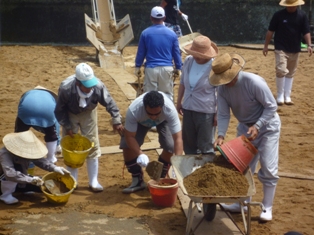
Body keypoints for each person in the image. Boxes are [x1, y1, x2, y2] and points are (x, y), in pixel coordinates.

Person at [209, 53, 281, 222]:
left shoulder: (253, 82)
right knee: (242, 167)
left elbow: (271, 107)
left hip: (268, 127)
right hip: (245, 129)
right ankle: (241, 202)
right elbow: (224, 113)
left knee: (269, 168)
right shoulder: (222, 89)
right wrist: (220, 135)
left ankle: (267, 207)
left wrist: (258, 125)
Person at [54, 63, 123, 192]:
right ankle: (72, 182)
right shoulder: (66, 88)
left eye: (91, 84)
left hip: (89, 113)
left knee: (92, 143)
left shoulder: (97, 86)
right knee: (71, 147)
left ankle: (93, 182)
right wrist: (67, 126)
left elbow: (110, 102)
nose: (90, 87)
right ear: (78, 83)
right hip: (70, 114)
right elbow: (59, 110)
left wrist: (116, 120)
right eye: (87, 86)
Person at [119, 91, 183, 193]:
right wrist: (140, 154)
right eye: (150, 113)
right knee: (126, 145)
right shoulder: (134, 110)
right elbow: (129, 136)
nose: (153, 117)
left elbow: (178, 138)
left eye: (156, 113)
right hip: (140, 122)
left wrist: (178, 163)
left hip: (163, 120)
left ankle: (160, 178)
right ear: (144, 107)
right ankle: (137, 180)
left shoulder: (169, 109)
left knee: (170, 145)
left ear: (162, 107)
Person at [263, 0, 312, 105]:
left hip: (295, 47)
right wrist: (266, 46)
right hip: (281, 47)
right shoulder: (278, 15)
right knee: (281, 70)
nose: (290, 8)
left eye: (292, 6)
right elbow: (270, 31)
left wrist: (309, 45)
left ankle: (287, 95)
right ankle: (280, 95)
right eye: (289, 6)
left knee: (290, 72)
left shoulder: (302, 15)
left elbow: (306, 31)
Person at [0, 130, 69, 205]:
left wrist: (54, 168)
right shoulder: (4, 153)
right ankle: (5, 195)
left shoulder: (28, 152)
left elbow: (40, 161)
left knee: (44, 185)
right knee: (16, 171)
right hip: (4, 180)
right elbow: (10, 174)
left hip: (21, 178)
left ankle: (22, 188)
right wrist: (31, 180)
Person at [176, 35, 218, 154]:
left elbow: (220, 93)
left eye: (200, 55)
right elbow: (183, 83)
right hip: (188, 108)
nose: (196, 57)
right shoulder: (189, 61)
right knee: (189, 143)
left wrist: (217, 114)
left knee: (205, 145)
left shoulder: (214, 67)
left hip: (206, 110)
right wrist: (179, 102)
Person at [134, 6, 182, 101]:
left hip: (151, 69)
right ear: (164, 18)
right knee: (167, 96)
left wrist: (137, 66)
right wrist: (178, 67)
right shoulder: (172, 34)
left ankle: (151, 115)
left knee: (150, 96)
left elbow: (141, 52)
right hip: (167, 69)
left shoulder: (145, 33)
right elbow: (176, 52)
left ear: (151, 18)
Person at [15, 86, 61, 164]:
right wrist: (57, 145)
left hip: (26, 108)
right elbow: (56, 128)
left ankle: (18, 155)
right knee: (51, 134)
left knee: (20, 133)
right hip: (47, 111)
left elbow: (20, 109)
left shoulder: (28, 94)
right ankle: (51, 158)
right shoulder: (51, 99)